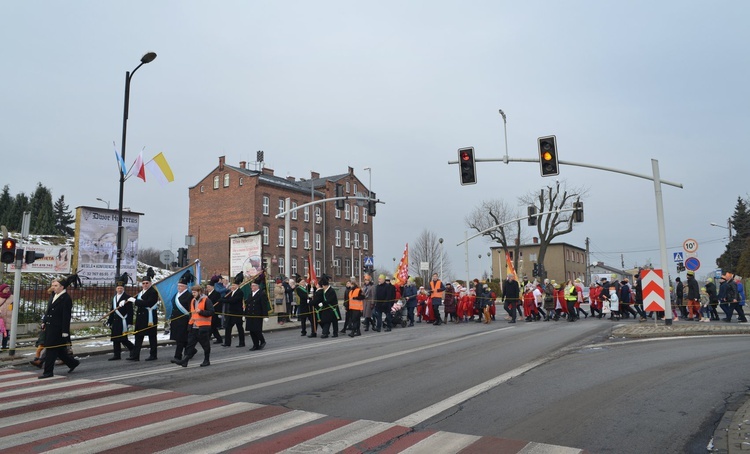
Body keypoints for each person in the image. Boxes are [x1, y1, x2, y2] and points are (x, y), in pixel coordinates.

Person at [39, 276, 80, 378]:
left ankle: (48, 372)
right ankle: (73, 363)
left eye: (56, 285)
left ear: (62, 287)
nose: (53, 287)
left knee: (51, 350)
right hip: (50, 327)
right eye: (53, 285)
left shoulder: (66, 298)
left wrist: (65, 331)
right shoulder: (54, 295)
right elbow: (48, 310)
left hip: (58, 329)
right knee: (60, 351)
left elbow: (66, 316)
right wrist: (44, 321)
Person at [176, 285, 213, 367]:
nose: (193, 294)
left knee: (205, 345)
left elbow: (211, 312)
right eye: (192, 292)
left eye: (195, 292)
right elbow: (192, 315)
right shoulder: (193, 301)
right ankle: (185, 361)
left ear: (200, 292)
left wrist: (201, 311)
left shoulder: (206, 300)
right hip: (194, 327)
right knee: (190, 345)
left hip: (203, 327)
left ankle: (206, 360)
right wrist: (189, 325)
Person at [127, 276, 159, 361]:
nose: (145, 285)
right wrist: (126, 300)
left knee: (152, 336)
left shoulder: (153, 292)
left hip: (149, 317)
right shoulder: (141, 292)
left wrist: (135, 301)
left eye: (147, 283)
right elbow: (136, 299)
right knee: (138, 336)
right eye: (143, 283)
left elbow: (148, 303)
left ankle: (153, 354)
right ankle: (135, 355)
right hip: (141, 317)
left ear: (150, 283)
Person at [107, 279, 134, 360]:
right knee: (115, 338)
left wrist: (129, 322)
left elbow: (130, 311)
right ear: (116, 289)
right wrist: (109, 321)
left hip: (123, 321)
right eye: (118, 288)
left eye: (121, 288)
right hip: (116, 321)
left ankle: (132, 349)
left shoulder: (127, 297)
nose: (119, 289)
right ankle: (117, 355)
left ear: (123, 289)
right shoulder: (114, 298)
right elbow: (112, 310)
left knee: (123, 338)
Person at [170, 277, 193, 363]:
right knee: (181, 339)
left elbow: (191, 309)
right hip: (176, 320)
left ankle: (177, 356)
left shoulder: (189, 295)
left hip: (184, 320)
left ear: (185, 287)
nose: (179, 287)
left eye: (181, 286)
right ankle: (191, 351)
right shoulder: (176, 294)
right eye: (178, 286)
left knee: (180, 339)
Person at [219, 273, 246, 347]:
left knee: (239, 328)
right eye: (232, 285)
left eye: (234, 285)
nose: (232, 286)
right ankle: (227, 342)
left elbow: (233, 300)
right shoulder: (231, 292)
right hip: (230, 313)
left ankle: (242, 342)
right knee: (228, 327)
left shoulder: (240, 292)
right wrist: (222, 299)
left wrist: (224, 300)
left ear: (237, 286)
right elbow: (228, 298)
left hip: (237, 313)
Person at [245, 281, 269, 350]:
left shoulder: (261, 294)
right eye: (251, 286)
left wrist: (265, 316)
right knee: (251, 331)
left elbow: (264, 306)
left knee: (257, 330)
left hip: (257, 315)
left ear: (257, 286)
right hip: (250, 315)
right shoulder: (250, 294)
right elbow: (247, 305)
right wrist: (245, 314)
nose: (251, 287)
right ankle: (255, 345)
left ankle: (262, 341)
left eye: (253, 286)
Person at [205, 279, 224, 344]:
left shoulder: (216, 293)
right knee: (213, 327)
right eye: (207, 287)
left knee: (212, 326)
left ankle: (207, 339)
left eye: (209, 287)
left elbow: (219, 304)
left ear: (212, 287)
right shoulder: (207, 294)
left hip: (215, 312)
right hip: (208, 312)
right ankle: (219, 339)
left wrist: (219, 313)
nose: (208, 288)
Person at [0, 284, 13, 350]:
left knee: (6, 333)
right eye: (6, 289)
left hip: (8, 318)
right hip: (0, 318)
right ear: (2, 290)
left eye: (8, 288)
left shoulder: (12, 297)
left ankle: (4, 346)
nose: (7, 290)